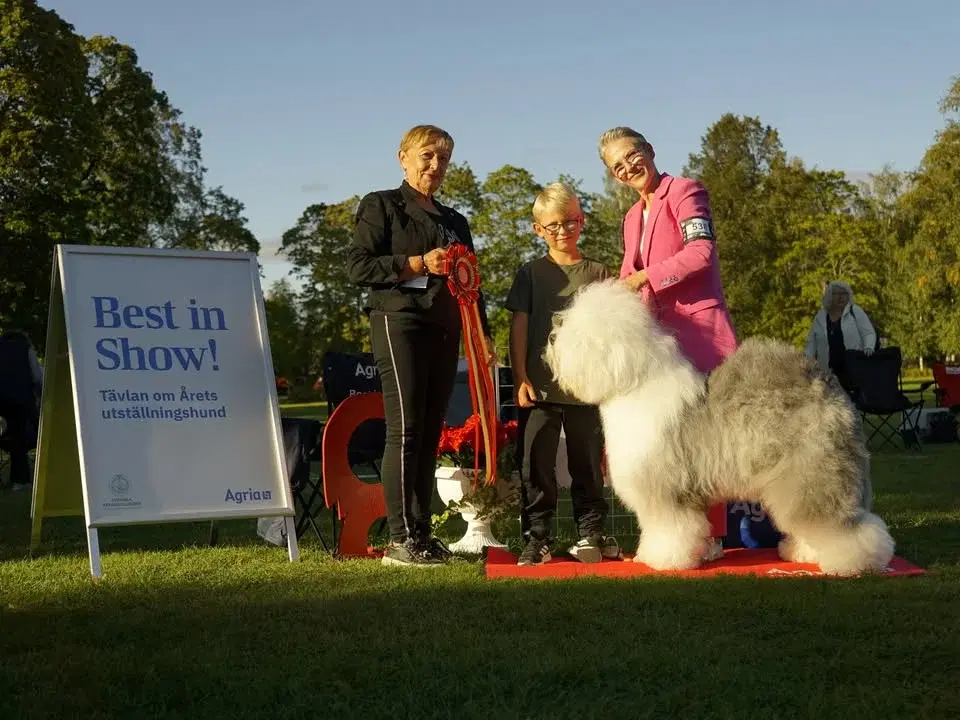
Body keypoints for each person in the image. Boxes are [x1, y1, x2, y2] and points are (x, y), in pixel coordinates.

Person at [346, 124, 495, 567]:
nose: (435, 165)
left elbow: (473, 285)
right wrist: (415, 262)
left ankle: (423, 535)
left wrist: (482, 334)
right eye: (427, 155)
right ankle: (400, 538)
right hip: (400, 320)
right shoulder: (382, 206)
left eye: (444, 159)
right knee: (406, 428)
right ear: (403, 157)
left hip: (447, 327)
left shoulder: (455, 222)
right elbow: (357, 266)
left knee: (431, 431)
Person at [598, 126, 737, 560]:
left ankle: (711, 537)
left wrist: (646, 277)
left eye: (632, 155)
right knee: (669, 443)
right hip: (658, 344)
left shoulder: (685, 191)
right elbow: (627, 276)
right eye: (617, 166)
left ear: (650, 150)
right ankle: (675, 533)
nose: (628, 167)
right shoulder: (629, 218)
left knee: (707, 438)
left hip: (700, 333)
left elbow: (701, 253)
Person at [505, 183, 620, 566]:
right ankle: (537, 537)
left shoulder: (600, 272)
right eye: (552, 225)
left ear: (581, 221)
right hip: (540, 388)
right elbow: (519, 328)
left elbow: (612, 332)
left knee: (587, 462)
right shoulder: (531, 274)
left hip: (587, 390)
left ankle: (592, 533)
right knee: (536, 465)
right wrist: (520, 376)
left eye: (569, 222)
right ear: (538, 229)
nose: (562, 231)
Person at [803, 281, 877, 389]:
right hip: (828, 371)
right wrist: (807, 361)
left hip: (853, 368)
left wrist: (869, 346)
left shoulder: (855, 312)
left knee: (854, 399)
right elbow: (812, 341)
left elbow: (869, 332)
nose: (840, 297)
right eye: (836, 294)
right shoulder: (821, 316)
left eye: (844, 294)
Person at [0, 330, 44, 490]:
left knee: (13, 434)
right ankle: (21, 481)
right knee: (20, 438)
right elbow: (37, 375)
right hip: (19, 398)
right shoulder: (25, 346)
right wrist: (41, 395)